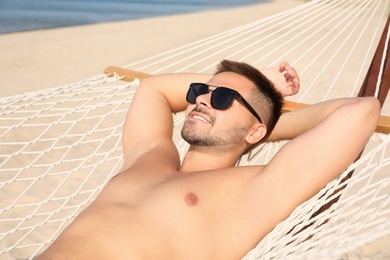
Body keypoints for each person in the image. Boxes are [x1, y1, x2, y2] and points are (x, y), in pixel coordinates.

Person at [37, 60, 380, 259]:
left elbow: (362, 110)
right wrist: (248, 94)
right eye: (200, 92)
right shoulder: (149, 157)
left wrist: (265, 117)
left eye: (225, 98)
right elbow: (153, 88)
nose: (201, 100)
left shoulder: (255, 189)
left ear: (256, 132)